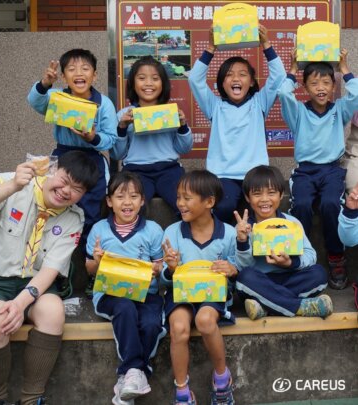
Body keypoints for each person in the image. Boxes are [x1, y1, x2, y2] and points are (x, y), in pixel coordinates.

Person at [0, 151, 99, 405]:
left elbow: (50, 270)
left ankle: (32, 398)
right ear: (53, 169)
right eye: (64, 180)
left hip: (32, 285)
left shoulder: (74, 218)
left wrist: (20, 303)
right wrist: (12, 186)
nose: (66, 191)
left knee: (53, 312)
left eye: (77, 189)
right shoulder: (12, 182)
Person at [27, 49, 118, 298]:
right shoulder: (57, 96)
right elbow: (35, 102)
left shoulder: (104, 103)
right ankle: (54, 275)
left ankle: (93, 272)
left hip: (92, 160)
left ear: (95, 75)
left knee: (93, 216)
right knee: (53, 212)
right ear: (64, 77)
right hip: (64, 156)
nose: (79, 73)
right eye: (72, 69)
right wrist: (45, 84)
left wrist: (93, 137)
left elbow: (111, 139)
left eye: (85, 68)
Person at [188, 25, 286, 224]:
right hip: (223, 175)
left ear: (251, 82)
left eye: (242, 74)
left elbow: (278, 77)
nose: (235, 78)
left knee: (259, 216)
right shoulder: (214, 106)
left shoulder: (259, 103)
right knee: (224, 207)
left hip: (255, 175)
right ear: (221, 83)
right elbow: (195, 79)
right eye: (229, 75)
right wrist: (210, 47)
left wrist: (266, 44)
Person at [278, 49, 358, 290]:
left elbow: (356, 93)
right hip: (305, 172)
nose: (320, 88)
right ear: (305, 87)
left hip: (332, 171)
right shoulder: (298, 112)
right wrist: (293, 68)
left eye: (326, 82)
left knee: (331, 204)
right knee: (301, 205)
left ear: (333, 86)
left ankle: (336, 257)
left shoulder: (339, 110)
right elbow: (283, 92)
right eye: (314, 83)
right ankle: (298, 254)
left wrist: (344, 67)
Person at [85, 171, 166, 405]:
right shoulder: (99, 229)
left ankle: (127, 379)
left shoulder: (153, 230)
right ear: (109, 201)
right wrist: (97, 262)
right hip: (110, 294)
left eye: (133, 196)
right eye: (120, 196)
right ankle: (136, 370)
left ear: (142, 201)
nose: (127, 202)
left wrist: (157, 269)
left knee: (151, 325)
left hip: (146, 294)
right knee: (125, 308)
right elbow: (89, 268)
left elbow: (159, 264)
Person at [161, 170, 237, 405]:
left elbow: (238, 267)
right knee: (179, 327)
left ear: (209, 202)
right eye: (178, 197)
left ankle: (222, 378)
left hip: (212, 294)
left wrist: (231, 269)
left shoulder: (228, 233)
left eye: (187, 198)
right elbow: (164, 279)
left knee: (205, 320)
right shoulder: (172, 232)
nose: (180, 203)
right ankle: (182, 391)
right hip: (181, 294)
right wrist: (171, 268)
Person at [235, 165, 332, 321]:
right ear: (247, 197)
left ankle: (266, 305)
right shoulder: (243, 228)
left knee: (319, 273)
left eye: (271, 193)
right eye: (257, 194)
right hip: (261, 281)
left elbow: (310, 255)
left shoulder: (292, 223)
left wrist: (290, 263)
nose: (264, 199)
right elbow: (243, 266)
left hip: (291, 278)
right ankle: (299, 306)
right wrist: (242, 241)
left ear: (281, 195)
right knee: (245, 277)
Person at [112, 55, 193, 216]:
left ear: (163, 84)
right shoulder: (124, 114)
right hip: (135, 171)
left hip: (169, 169)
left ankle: (185, 232)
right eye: (142, 78)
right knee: (132, 210)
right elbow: (117, 154)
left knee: (185, 206)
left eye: (155, 78)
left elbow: (184, 148)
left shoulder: (170, 112)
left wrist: (182, 125)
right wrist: (122, 128)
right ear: (133, 83)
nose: (148, 83)